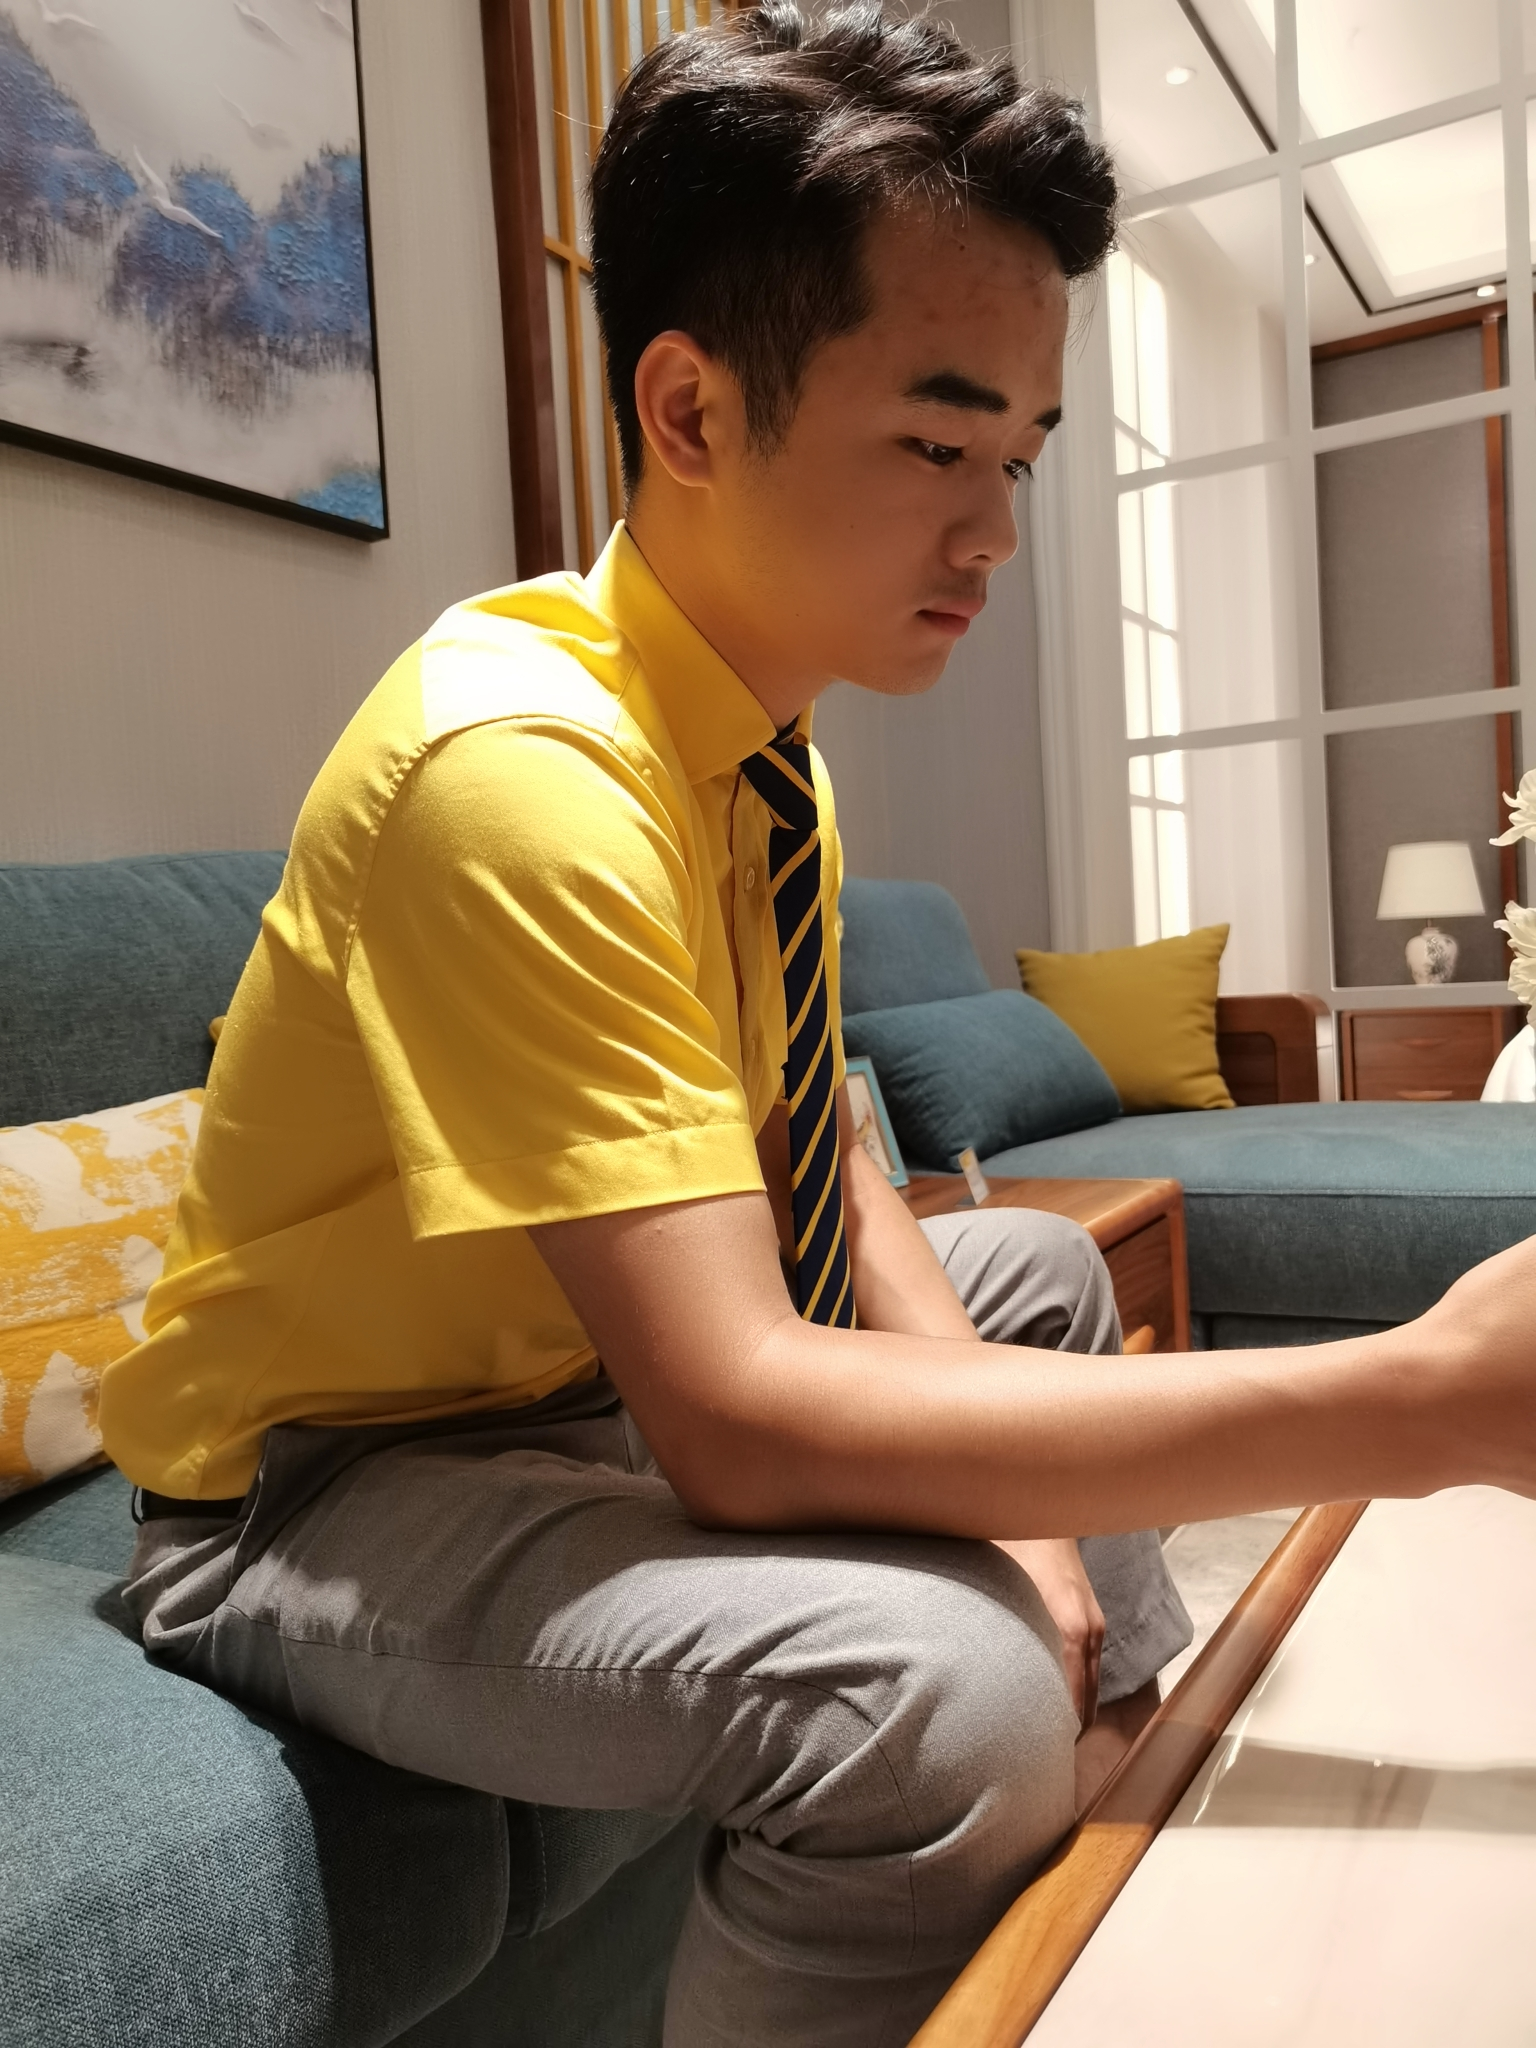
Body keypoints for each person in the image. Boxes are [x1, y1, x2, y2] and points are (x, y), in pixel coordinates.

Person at [101, 6, 1536, 2042]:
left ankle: (1113, 1822)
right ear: (690, 410)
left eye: (1019, 457)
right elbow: (740, 1417)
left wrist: (1038, 1526)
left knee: (1033, 1269)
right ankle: (1032, 1796)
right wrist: (1417, 1402)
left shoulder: (766, 758)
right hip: (318, 1487)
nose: (995, 531)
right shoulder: (519, 772)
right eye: (941, 445)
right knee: (933, 1697)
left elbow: (831, 1176)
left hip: (576, 1379)